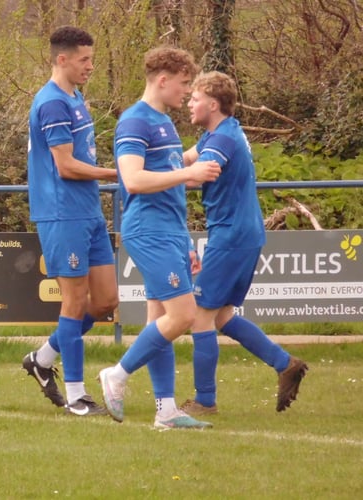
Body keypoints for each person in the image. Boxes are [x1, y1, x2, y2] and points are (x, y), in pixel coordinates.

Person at [98, 46, 222, 429]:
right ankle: (116, 374)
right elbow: (132, 180)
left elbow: (168, 187)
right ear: (163, 80)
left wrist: (185, 241)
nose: (187, 92)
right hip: (147, 231)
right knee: (182, 315)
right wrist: (189, 174)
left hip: (168, 231)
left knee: (159, 319)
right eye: (184, 84)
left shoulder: (164, 121)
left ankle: (166, 410)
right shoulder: (135, 122)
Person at [178, 70, 308, 416]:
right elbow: (185, 159)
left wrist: (149, 181)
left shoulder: (221, 141)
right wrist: (147, 159)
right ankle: (285, 363)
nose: (189, 102)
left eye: (195, 98)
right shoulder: (222, 132)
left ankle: (204, 401)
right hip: (242, 234)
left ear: (214, 104)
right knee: (221, 316)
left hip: (232, 236)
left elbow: (195, 174)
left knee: (199, 317)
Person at [22, 26, 119, 416]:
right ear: (62, 59)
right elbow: (65, 165)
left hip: (88, 210)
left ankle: (42, 359)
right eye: (84, 60)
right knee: (75, 301)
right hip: (62, 212)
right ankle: (77, 397)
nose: (90, 67)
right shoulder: (51, 103)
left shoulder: (75, 97)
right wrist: (117, 174)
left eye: (92, 59)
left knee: (106, 301)